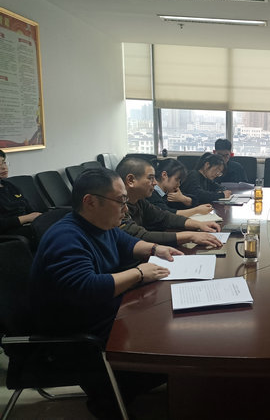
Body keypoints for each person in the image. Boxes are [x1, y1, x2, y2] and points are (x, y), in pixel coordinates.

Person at [29, 167, 179, 418]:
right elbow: (86, 288)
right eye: (120, 201)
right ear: (90, 202)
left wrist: (155, 249)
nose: (126, 209)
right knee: (170, 348)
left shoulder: (100, 225)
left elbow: (128, 243)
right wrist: (139, 273)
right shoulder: (66, 237)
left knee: (167, 318)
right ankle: (108, 398)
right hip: (77, 336)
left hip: (102, 314)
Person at [116, 157, 223, 248]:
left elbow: (164, 216)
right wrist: (190, 236)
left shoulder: (139, 201)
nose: (155, 183)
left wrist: (199, 224)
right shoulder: (116, 208)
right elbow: (142, 236)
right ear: (131, 180)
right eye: (150, 178)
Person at [148, 158, 213, 217]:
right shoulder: (151, 193)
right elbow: (167, 214)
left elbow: (195, 200)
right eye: (177, 179)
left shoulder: (168, 192)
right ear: (164, 175)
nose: (178, 184)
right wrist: (196, 210)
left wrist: (183, 198)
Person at [0, 149, 42, 238]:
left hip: (27, 225)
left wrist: (38, 217)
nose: (4, 167)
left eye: (3, 162)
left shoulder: (9, 185)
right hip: (10, 234)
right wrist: (25, 218)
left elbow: (27, 207)